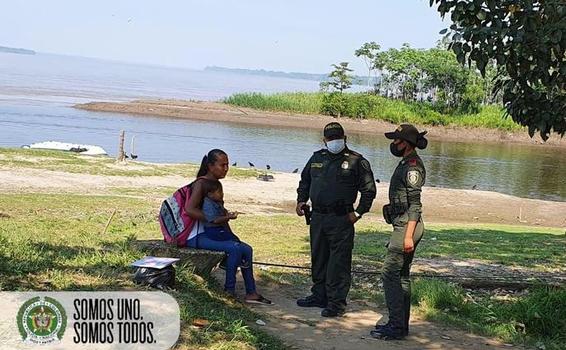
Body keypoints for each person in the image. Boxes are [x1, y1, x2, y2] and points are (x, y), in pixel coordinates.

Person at [296, 122, 377, 317]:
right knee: (319, 257)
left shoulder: (357, 161)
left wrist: (358, 213)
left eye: (337, 138)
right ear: (324, 140)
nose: (334, 141)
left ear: (345, 138)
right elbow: (305, 181)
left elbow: (369, 190)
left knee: (338, 262)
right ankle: (319, 295)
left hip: (341, 218)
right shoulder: (317, 158)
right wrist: (301, 200)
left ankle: (337, 302)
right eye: (330, 138)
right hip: (317, 217)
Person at [185, 149, 271, 305]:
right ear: (211, 166)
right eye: (222, 165)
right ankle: (229, 292)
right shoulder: (201, 183)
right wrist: (214, 219)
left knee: (246, 249)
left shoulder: (217, 184)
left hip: (213, 232)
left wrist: (232, 235)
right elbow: (190, 209)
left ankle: (251, 292)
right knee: (235, 249)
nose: (226, 168)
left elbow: (221, 213)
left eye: (227, 165)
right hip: (196, 235)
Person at [370, 124, 428, 340]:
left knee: (389, 272)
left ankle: (395, 326)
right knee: (401, 275)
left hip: (407, 227)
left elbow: (415, 205)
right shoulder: (406, 162)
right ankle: (400, 325)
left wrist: (407, 236)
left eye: (397, 140)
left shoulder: (412, 167)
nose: (393, 144)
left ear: (406, 143)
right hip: (402, 224)